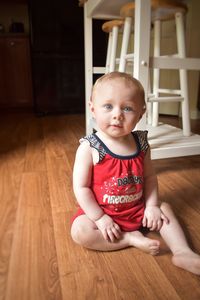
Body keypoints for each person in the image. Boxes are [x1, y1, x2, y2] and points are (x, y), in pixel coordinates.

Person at [71, 71, 200, 275]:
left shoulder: (141, 144)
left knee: (164, 208)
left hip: (137, 210)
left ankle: (182, 252)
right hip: (104, 212)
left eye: (128, 108)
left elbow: (149, 177)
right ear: (92, 108)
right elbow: (81, 187)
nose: (117, 114)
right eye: (108, 106)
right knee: (80, 232)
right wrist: (100, 218)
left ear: (141, 113)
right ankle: (129, 239)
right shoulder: (90, 148)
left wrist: (151, 206)